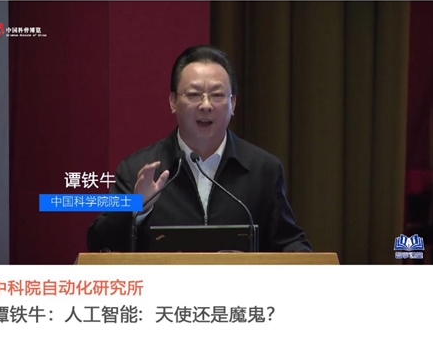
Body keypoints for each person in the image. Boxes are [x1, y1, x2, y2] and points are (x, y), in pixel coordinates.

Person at [87, 45, 312, 252]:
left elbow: (288, 242)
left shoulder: (263, 169)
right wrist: (136, 208)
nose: (206, 105)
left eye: (217, 95)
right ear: (173, 101)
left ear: (233, 103)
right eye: (194, 95)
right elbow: (99, 243)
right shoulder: (138, 169)